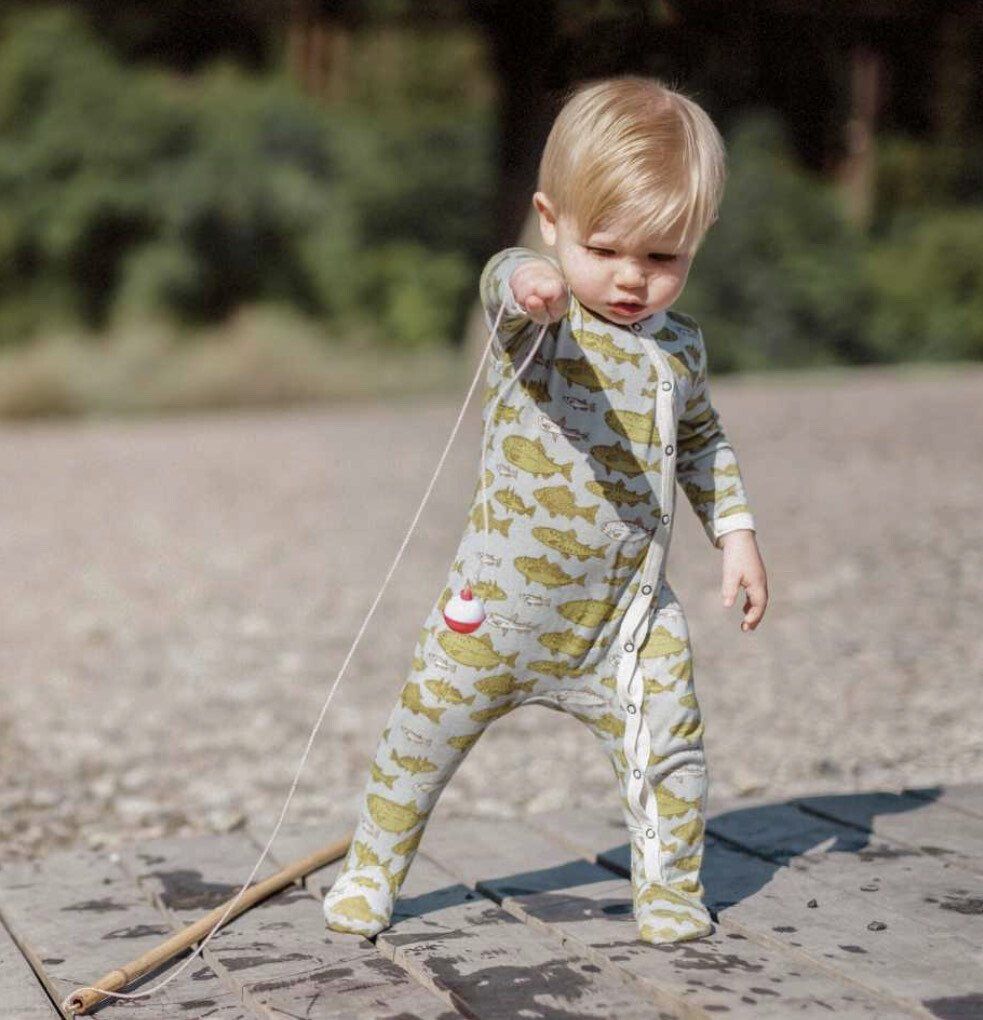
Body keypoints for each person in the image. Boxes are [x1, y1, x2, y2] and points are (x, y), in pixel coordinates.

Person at [323, 75, 768, 945]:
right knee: (420, 738)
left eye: (663, 258)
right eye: (606, 249)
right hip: (492, 613)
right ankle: (370, 870)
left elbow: (704, 442)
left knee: (669, 752)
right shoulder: (543, 317)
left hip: (626, 620)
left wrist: (737, 534)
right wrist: (528, 279)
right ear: (551, 219)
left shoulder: (679, 348)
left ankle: (670, 890)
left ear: (696, 243)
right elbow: (502, 281)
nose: (633, 279)